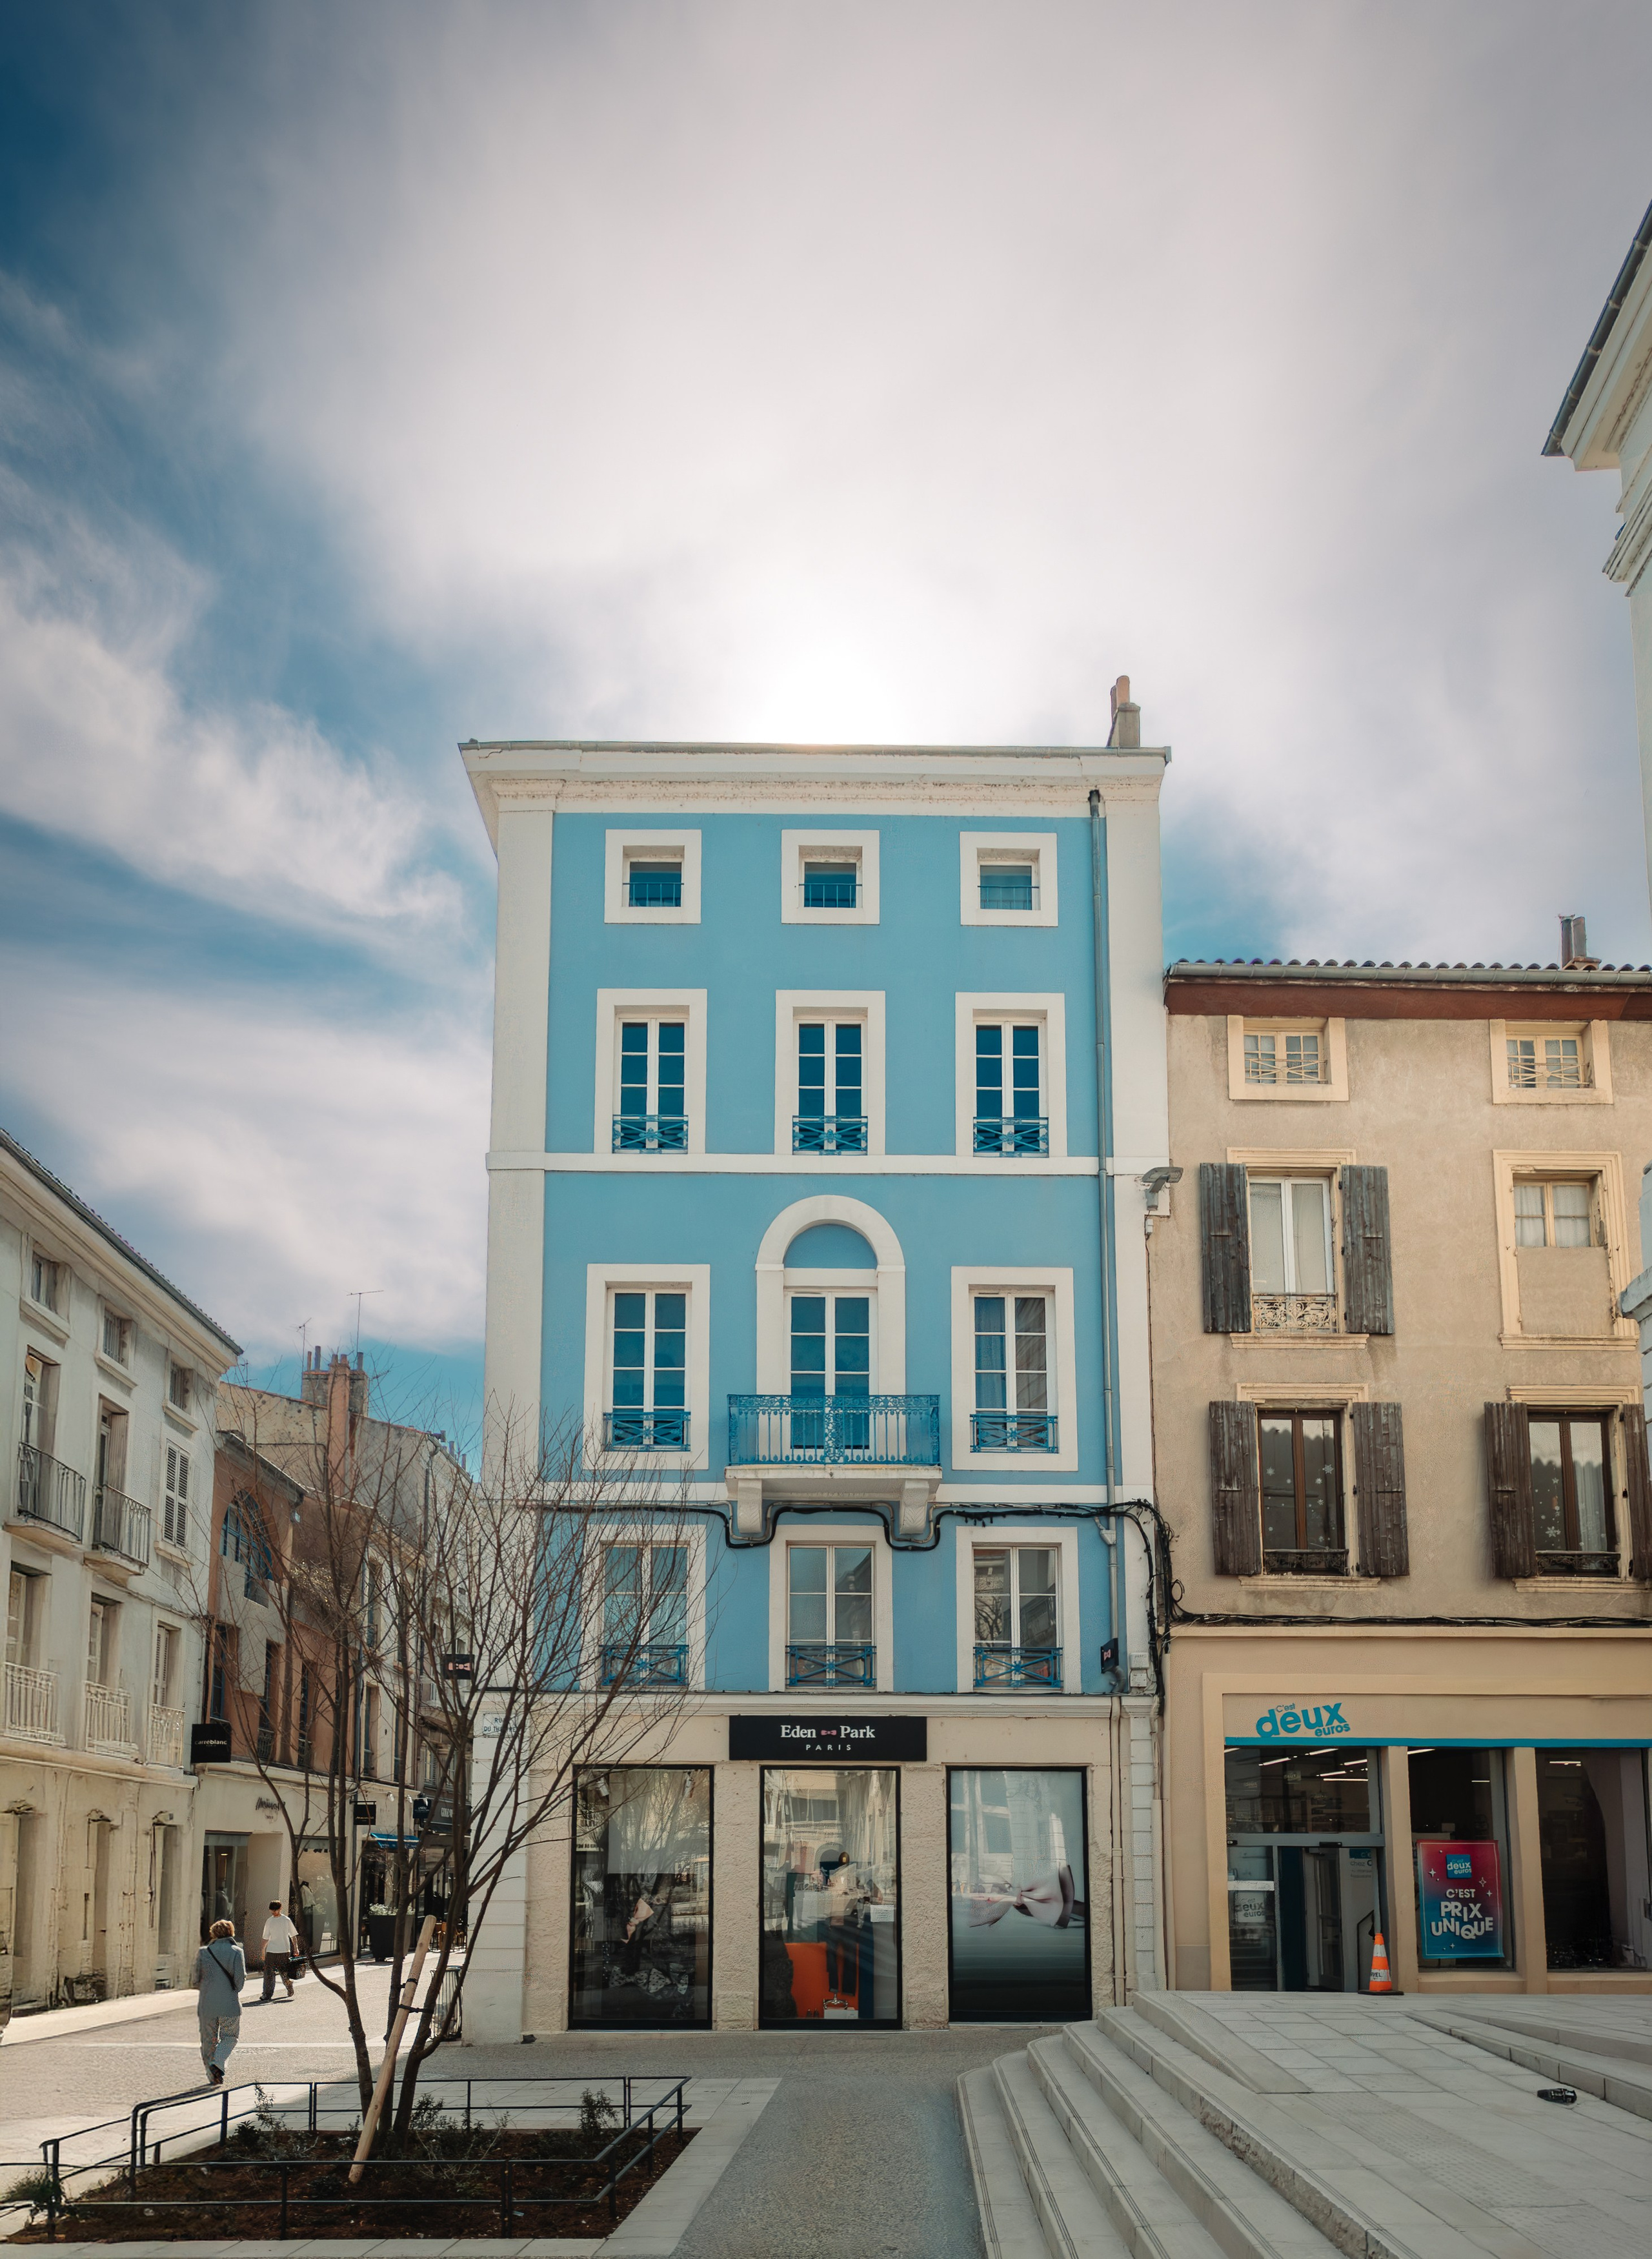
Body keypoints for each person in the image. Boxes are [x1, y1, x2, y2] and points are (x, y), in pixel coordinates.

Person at [195, 1918, 245, 2087]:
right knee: (230, 2037)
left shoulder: (204, 1952)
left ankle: (213, 2073)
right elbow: (239, 1983)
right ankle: (218, 2063)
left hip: (207, 2004)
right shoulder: (236, 1951)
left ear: (214, 1934)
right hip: (228, 2004)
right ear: (231, 1932)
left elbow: (196, 1980)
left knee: (209, 2039)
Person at [259, 1901, 300, 2001]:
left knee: (284, 1973)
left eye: (275, 1911)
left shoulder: (286, 1920)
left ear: (280, 1909)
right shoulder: (269, 1921)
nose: (273, 1913)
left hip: (284, 1950)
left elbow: (293, 1935)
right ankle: (267, 1994)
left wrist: (296, 1948)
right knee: (269, 1973)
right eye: (272, 1912)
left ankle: (289, 1985)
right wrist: (263, 1951)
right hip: (271, 1950)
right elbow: (265, 1937)